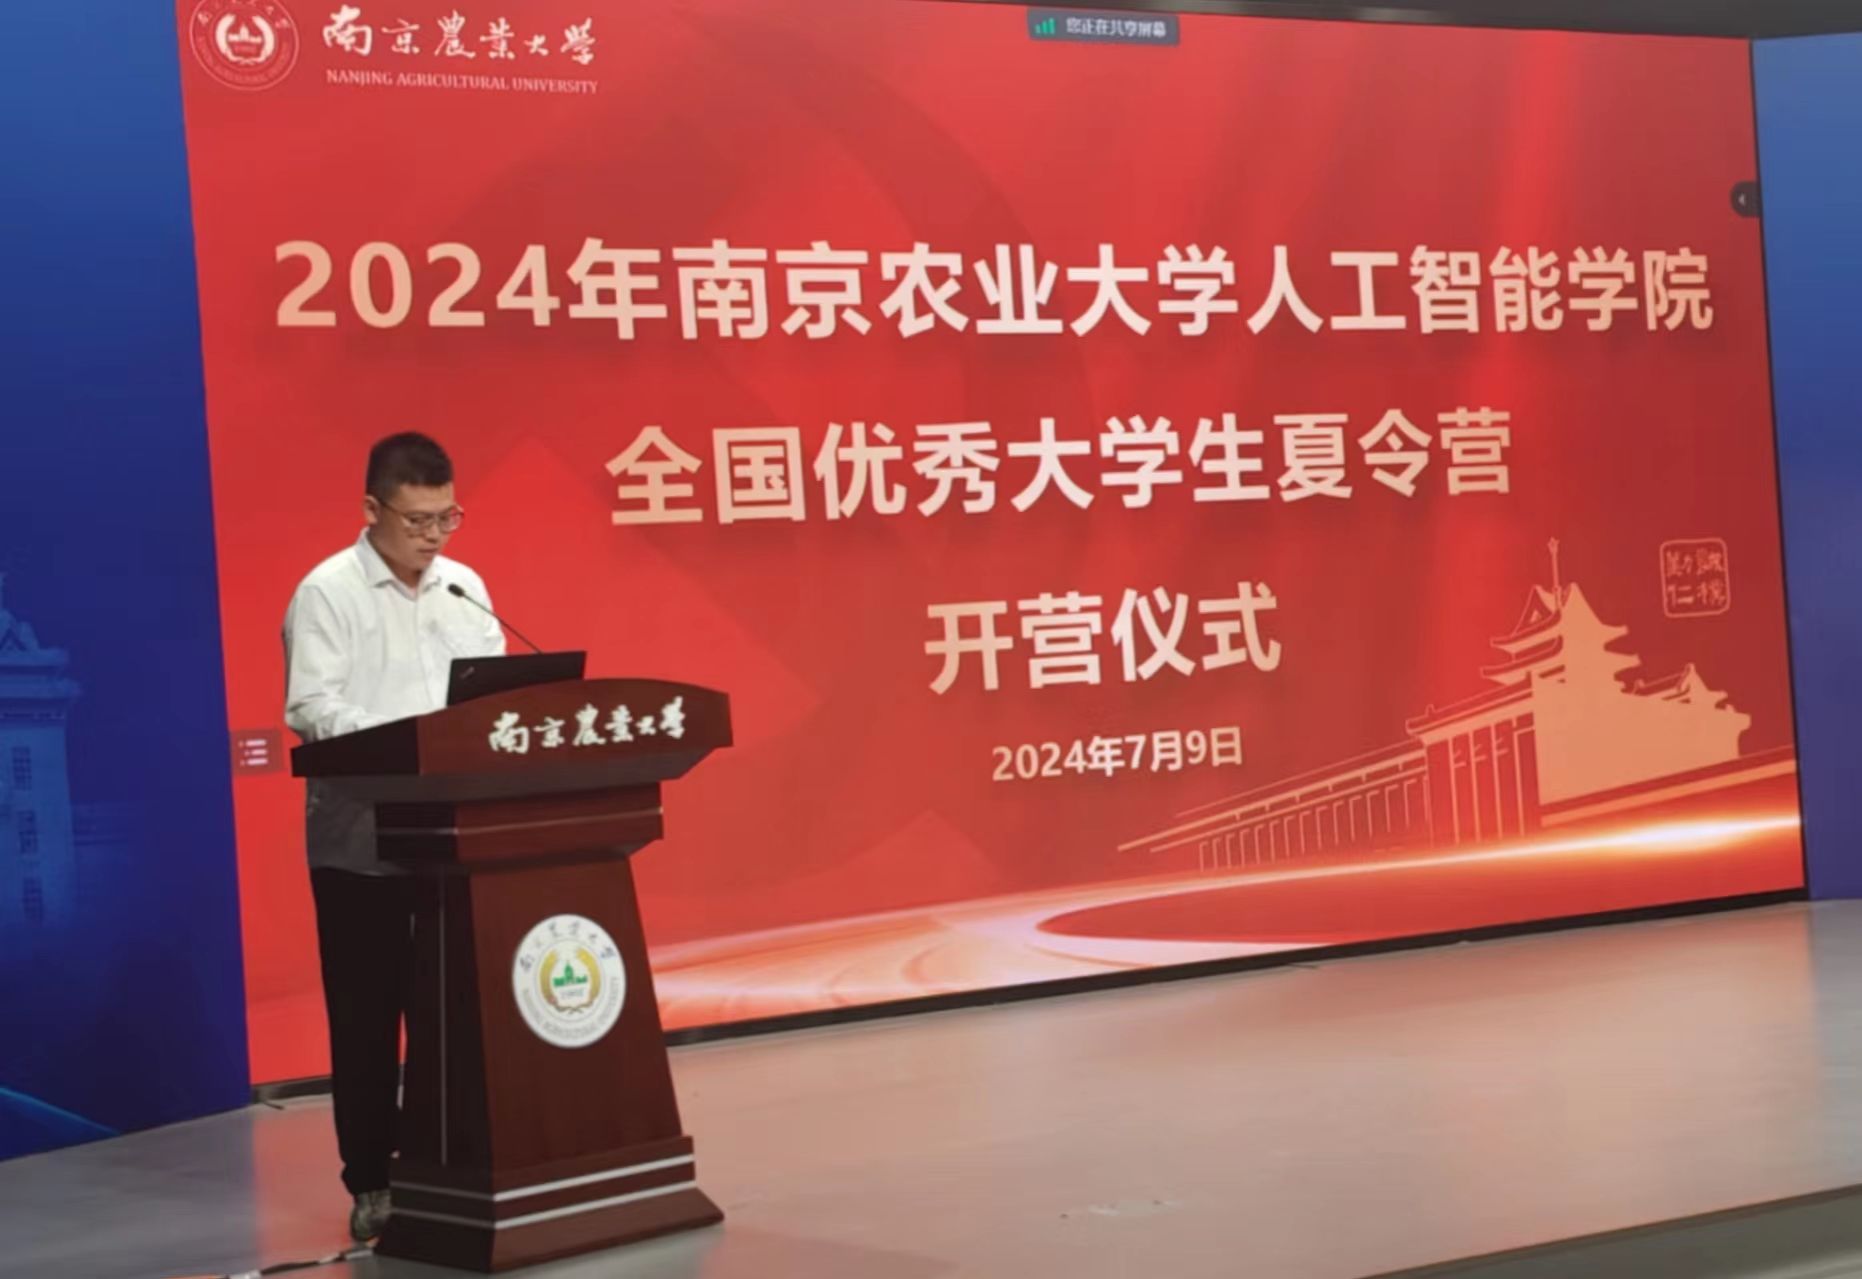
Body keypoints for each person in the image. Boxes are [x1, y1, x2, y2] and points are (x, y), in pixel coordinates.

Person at [282, 432, 504, 1241]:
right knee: (368, 1022)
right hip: (362, 848)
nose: (434, 535)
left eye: (447, 516)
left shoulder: (464, 588)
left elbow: (491, 702)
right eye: (417, 520)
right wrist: (415, 741)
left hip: (453, 844)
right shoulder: (328, 593)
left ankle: (452, 1165)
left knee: (453, 1017)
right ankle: (373, 1179)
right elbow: (313, 708)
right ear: (372, 509)